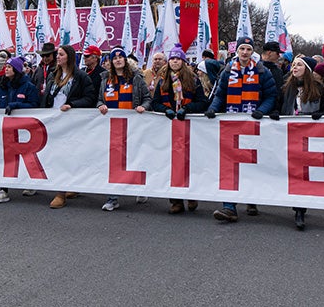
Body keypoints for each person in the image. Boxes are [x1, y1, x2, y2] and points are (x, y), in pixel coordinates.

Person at [206, 36, 278, 223]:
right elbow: (220, 94)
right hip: (232, 123)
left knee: (251, 163)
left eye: (248, 49)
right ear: (236, 51)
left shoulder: (262, 71)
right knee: (231, 164)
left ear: (252, 51)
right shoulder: (228, 70)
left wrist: (262, 110)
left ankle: (251, 199)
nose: (244, 52)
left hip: (253, 124)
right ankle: (229, 206)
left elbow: (271, 95)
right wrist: (213, 108)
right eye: (242, 49)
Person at [149, 44, 208, 215]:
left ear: (183, 61)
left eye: (178, 59)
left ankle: (192, 194)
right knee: (172, 164)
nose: (175, 61)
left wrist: (187, 109)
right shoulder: (162, 81)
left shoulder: (193, 80)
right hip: (170, 127)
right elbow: (156, 103)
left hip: (189, 126)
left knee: (190, 163)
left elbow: (203, 103)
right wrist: (165, 110)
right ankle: (175, 200)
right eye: (172, 58)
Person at [275, 55, 324, 230]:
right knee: (292, 170)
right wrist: (276, 113)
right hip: (289, 132)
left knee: (304, 172)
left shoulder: (318, 88)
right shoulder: (287, 87)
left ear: (307, 69)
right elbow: (278, 104)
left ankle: (300, 209)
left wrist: (320, 114)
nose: (294, 67)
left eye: (299, 65)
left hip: (309, 135)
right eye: (293, 65)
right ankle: (296, 204)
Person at [96, 46, 152, 211]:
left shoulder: (136, 79)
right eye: (115, 58)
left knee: (135, 157)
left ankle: (140, 188)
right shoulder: (105, 79)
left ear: (125, 60)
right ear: (111, 62)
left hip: (133, 126)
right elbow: (99, 99)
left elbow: (148, 98)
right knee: (114, 162)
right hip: (113, 127)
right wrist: (101, 105)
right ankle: (112, 198)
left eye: (121, 57)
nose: (118, 60)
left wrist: (143, 106)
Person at [44, 44, 95, 208]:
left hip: (71, 123)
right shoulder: (52, 76)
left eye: (61, 54)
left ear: (69, 57)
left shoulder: (80, 77)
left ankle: (61, 193)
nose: (57, 57)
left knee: (67, 156)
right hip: (54, 121)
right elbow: (47, 98)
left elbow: (90, 98)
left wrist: (72, 104)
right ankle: (67, 186)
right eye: (57, 54)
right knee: (57, 156)